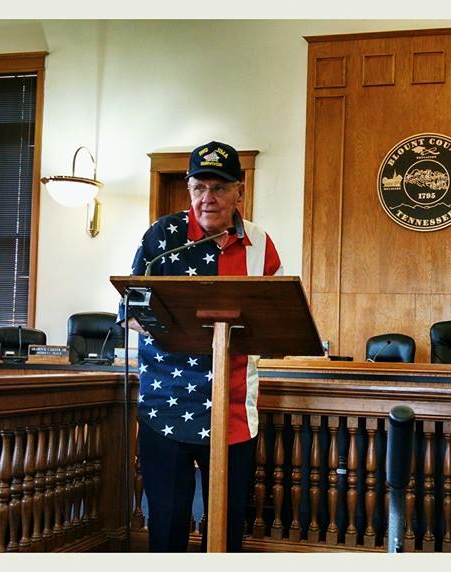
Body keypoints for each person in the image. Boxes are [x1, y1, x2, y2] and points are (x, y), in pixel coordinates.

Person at [121, 140, 283, 552]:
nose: (207, 198)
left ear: (239, 191)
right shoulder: (163, 236)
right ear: (189, 188)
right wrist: (167, 331)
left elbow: (278, 317)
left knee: (227, 529)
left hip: (231, 408)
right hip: (166, 404)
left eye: (219, 188)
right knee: (168, 523)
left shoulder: (261, 245)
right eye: (199, 187)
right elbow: (131, 311)